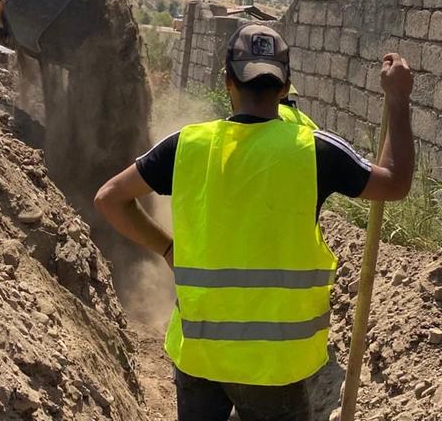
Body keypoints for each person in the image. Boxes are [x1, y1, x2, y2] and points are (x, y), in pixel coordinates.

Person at [94, 22, 414, 421]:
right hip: (274, 365)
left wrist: (167, 248)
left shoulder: (186, 145)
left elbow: (110, 199)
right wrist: (398, 99)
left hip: (199, 354)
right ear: (285, 88)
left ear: (227, 80)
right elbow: (395, 182)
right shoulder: (315, 150)